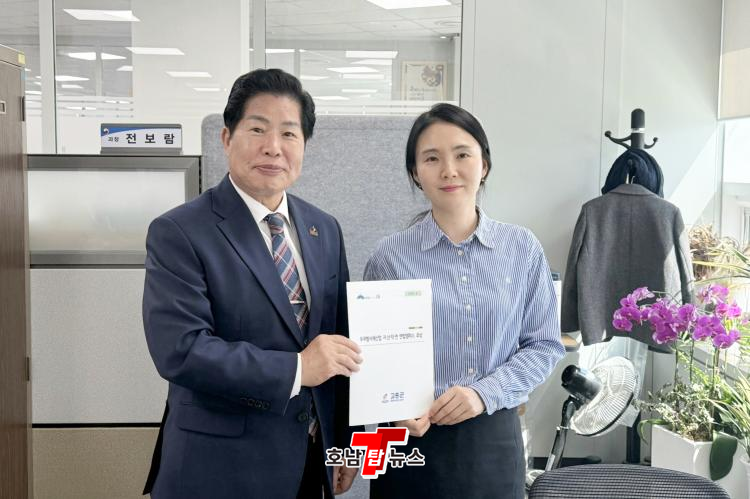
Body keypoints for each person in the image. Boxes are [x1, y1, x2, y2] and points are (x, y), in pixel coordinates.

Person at [142, 68, 361, 499]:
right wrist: (297, 369)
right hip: (217, 469)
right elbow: (181, 350)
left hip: (307, 463)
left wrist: (347, 444)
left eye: (289, 133)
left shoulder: (323, 228)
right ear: (227, 138)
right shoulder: (180, 231)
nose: (273, 147)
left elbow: (341, 341)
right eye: (258, 129)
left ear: (304, 145)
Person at [364, 103, 565, 499]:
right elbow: (372, 359)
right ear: (415, 173)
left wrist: (482, 393)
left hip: (493, 434)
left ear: (484, 164)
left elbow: (544, 346)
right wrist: (391, 412)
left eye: (462, 155)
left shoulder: (521, 248)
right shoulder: (389, 257)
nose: (449, 170)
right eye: (431, 158)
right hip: (410, 438)